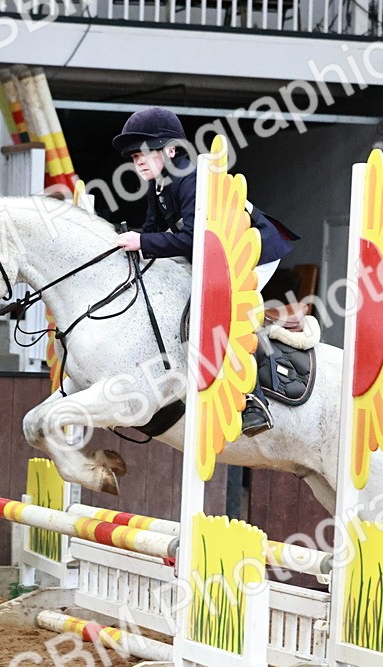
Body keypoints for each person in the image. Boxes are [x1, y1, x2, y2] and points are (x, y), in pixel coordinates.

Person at [113, 107, 296, 437]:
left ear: (170, 150)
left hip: (254, 249)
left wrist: (141, 241)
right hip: (217, 250)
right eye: (133, 154)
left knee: (225, 311)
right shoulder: (159, 183)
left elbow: (188, 239)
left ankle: (253, 399)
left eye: (145, 151)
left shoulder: (190, 176)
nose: (137, 160)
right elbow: (155, 232)